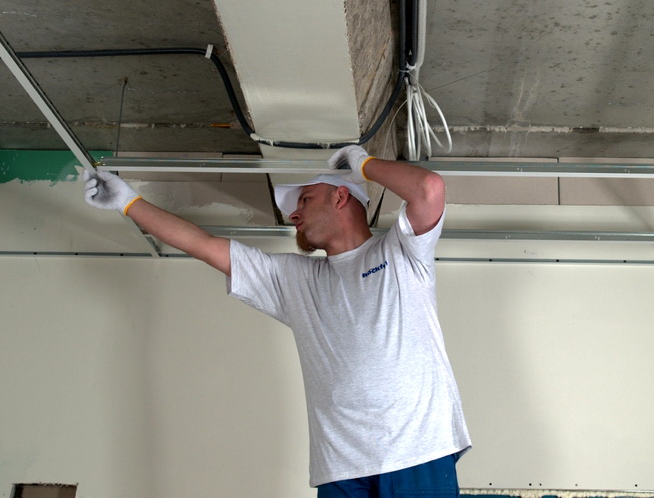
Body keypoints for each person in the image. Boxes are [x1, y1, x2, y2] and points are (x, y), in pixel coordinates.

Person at [83, 145, 471, 497]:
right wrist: (128, 202)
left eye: (305, 199)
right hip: (341, 466)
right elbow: (203, 244)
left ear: (341, 196)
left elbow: (429, 189)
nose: (293, 214)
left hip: (418, 449)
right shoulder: (294, 279)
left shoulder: (401, 253)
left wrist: (363, 163)